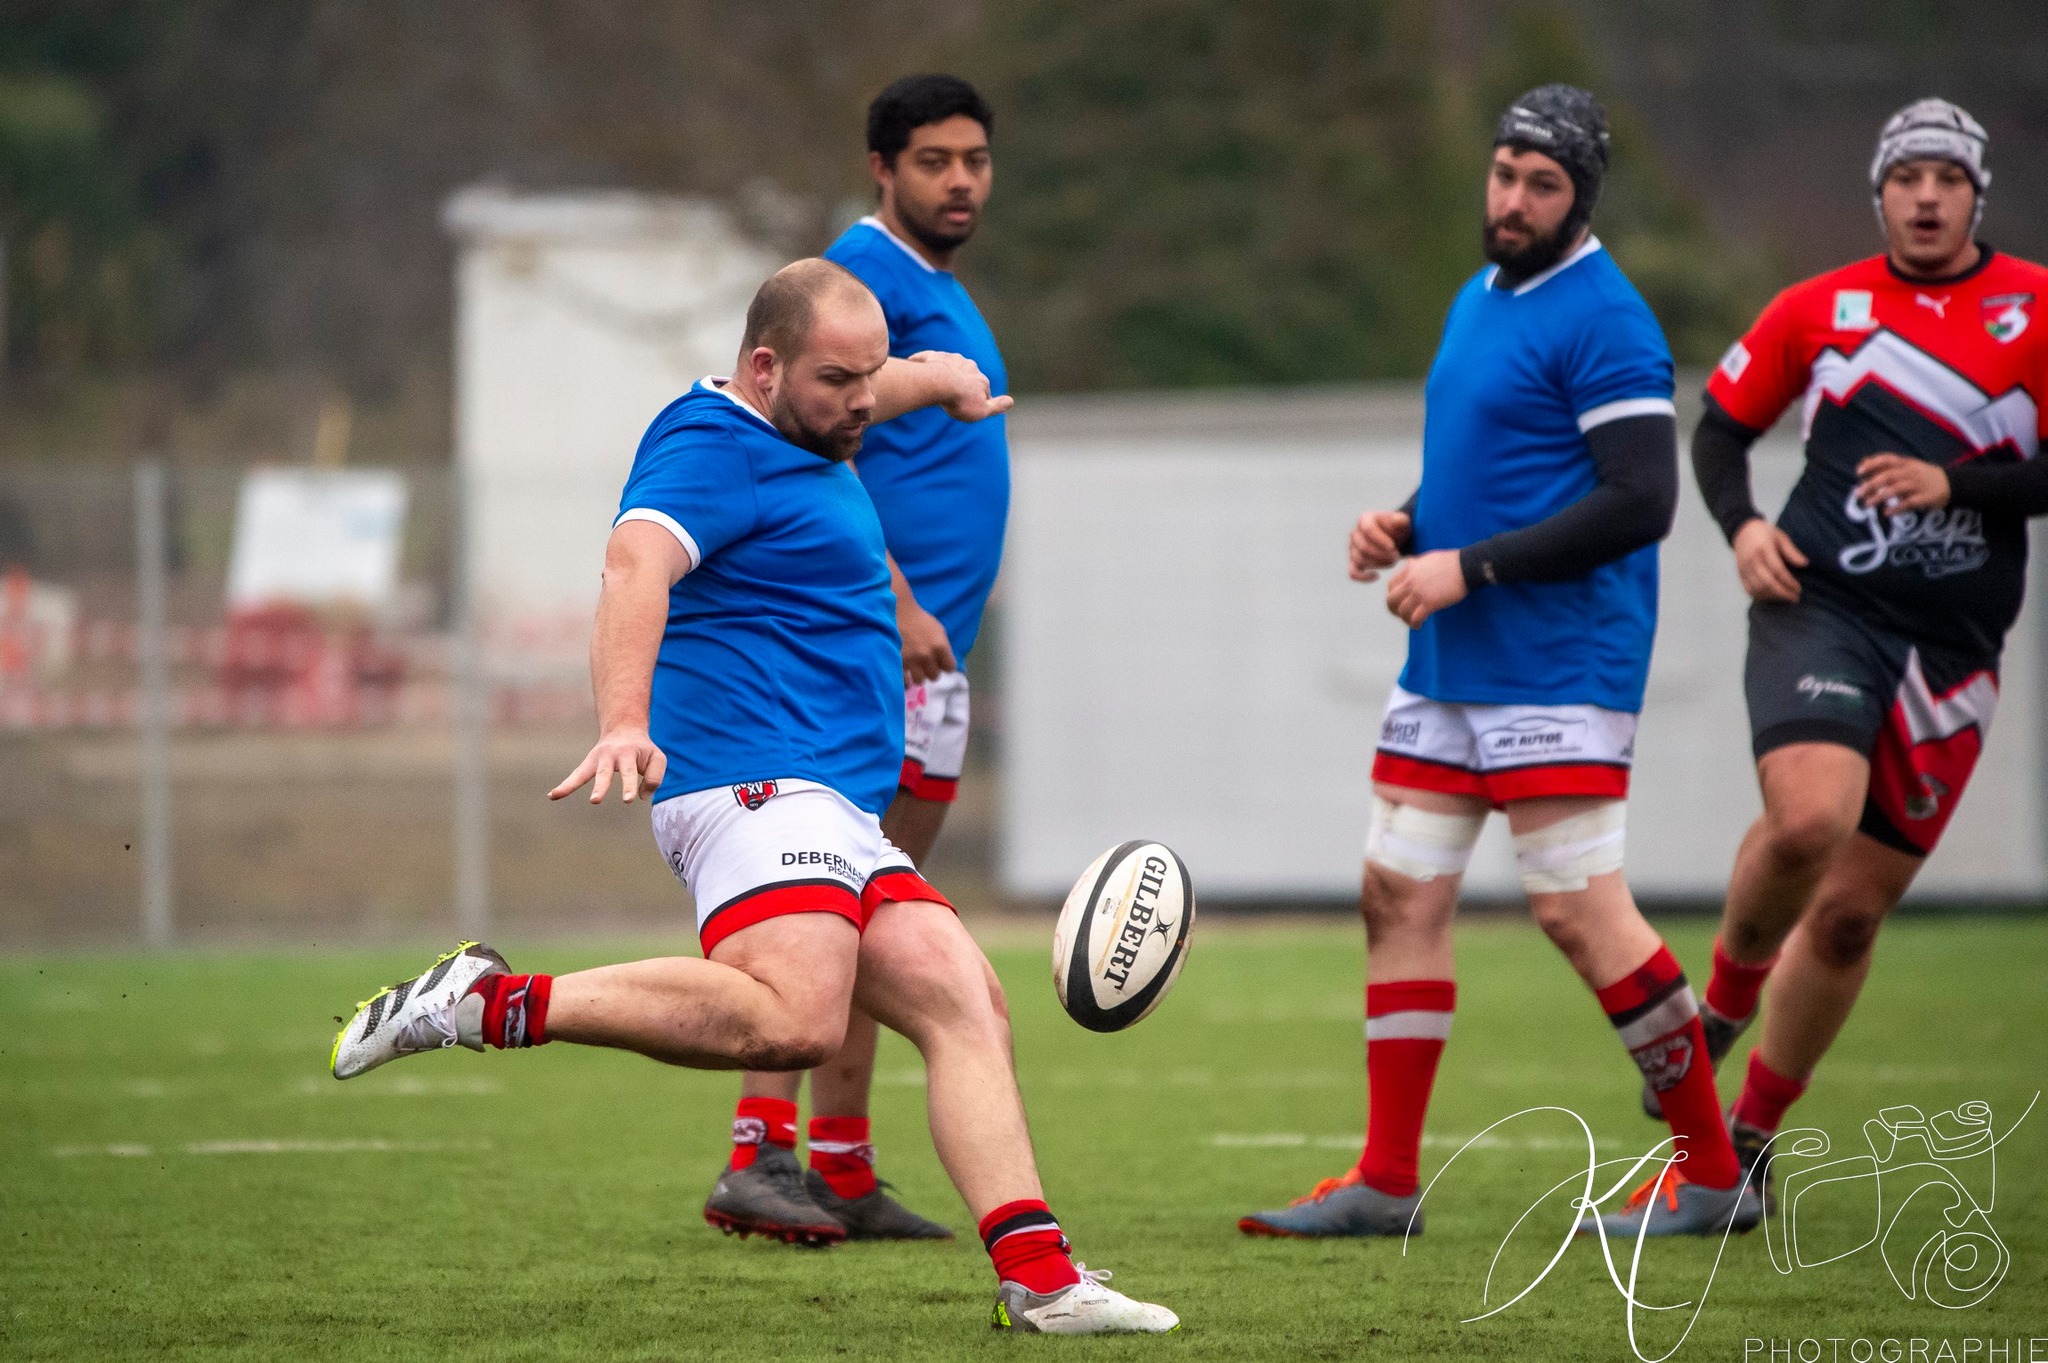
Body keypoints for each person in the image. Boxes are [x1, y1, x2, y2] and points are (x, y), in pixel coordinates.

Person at [330, 260, 1177, 1335]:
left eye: (870, 376)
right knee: (797, 1022)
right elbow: (633, 567)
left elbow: (880, 382)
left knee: (966, 1002)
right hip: (751, 784)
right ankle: (479, 1002)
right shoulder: (709, 447)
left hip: (835, 806)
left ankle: (1043, 1282)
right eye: (840, 380)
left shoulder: (817, 420)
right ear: (765, 368)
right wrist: (623, 720)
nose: (862, 400)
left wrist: (943, 380)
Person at [1236, 84, 1760, 1241]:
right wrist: (1408, 524)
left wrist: (1466, 567)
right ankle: (1385, 1180)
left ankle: (1712, 1174)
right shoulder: (1477, 296)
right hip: (1448, 662)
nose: (1513, 199)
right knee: (1396, 895)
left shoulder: (1607, 318)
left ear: (1582, 197)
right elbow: (1495, 469)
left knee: (1576, 912)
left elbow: (1640, 500)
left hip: (1556, 663)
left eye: (1542, 184)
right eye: (1504, 173)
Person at [1673, 98, 2048, 1198]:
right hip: (1821, 604)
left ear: (1977, 193)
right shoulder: (1817, 307)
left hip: (1954, 648)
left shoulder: (2034, 307)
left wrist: (1957, 484)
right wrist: (1743, 527)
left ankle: (1745, 1147)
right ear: (1878, 193)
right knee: (1808, 819)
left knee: (1844, 918)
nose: (1925, 197)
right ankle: (1722, 1004)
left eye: (1947, 178)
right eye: (1905, 178)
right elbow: (1718, 429)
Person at [705, 73, 1010, 1246]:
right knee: (823, 903)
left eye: (974, 159)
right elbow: (802, 450)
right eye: (933, 160)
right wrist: (898, 598)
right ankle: (759, 1153)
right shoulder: (858, 280)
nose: (959, 180)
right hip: (872, 654)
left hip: (925, 663)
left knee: (878, 911)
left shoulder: (938, 284)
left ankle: (837, 1162)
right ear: (881, 169)